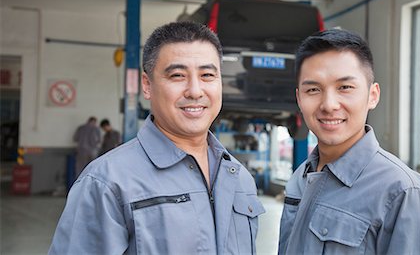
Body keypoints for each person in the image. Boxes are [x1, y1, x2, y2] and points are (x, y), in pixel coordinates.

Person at [49, 21, 265, 254]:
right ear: (147, 85)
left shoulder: (239, 178)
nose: (194, 90)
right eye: (177, 75)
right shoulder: (107, 183)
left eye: (207, 75)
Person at [278, 29, 420, 254]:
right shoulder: (301, 177)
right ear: (299, 98)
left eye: (345, 87)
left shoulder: (403, 193)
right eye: (313, 89)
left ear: (372, 95)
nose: (329, 105)